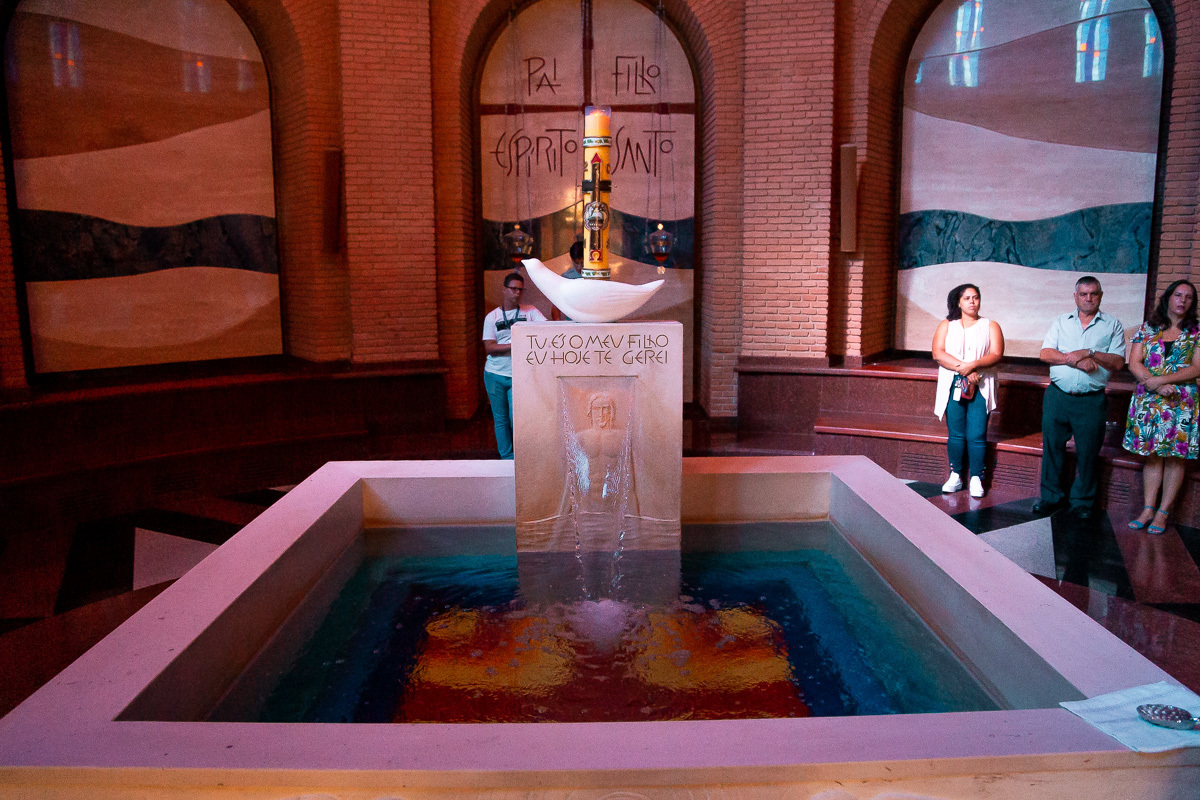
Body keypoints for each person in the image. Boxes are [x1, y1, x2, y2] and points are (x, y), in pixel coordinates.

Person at [1034, 276, 1127, 519]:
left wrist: (1091, 354)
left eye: (1093, 293)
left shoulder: (1112, 325)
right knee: (1052, 449)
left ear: (1101, 295)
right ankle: (1050, 498)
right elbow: (1045, 353)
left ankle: (1082, 502)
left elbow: (1118, 361)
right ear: (1075, 297)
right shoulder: (1061, 322)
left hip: (1091, 400)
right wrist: (1074, 359)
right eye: (1083, 294)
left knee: (1088, 453)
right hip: (1057, 396)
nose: (1089, 298)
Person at [1123, 280, 1200, 534]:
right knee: (1154, 454)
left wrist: (1163, 381)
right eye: (1178, 295)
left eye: (1188, 297)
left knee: (1176, 457)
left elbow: (1197, 367)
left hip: (1181, 401)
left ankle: (1163, 513)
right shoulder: (1148, 328)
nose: (1182, 300)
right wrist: (1154, 385)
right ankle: (1147, 509)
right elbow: (1134, 362)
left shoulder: (1197, 331)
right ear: (1168, 298)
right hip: (1150, 400)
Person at [931, 284, 1004, 498]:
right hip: (953, 383)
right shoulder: (947, 325)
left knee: (977, 434)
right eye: (967, 298)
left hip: (981, 383)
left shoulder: (990, 325)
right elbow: (938, 353)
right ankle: (956, 475)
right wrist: (963, 369)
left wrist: (973, 367)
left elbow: (996, 354)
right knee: (955, 433)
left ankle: (976, 478)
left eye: (976, 297)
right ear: (958, 302)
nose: (972, 301)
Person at [482, 272, 546, 459]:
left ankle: (521, 457)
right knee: (500, 419)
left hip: (518, 374)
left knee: (516, 418)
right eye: (513, 289)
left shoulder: (530, 312)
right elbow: (490, 347)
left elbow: (547, 332)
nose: (517, 293)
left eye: (520, 289)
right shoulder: (492, 317)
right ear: (504, 290)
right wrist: (516, 344)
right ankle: (506, 457)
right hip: (494, 373)